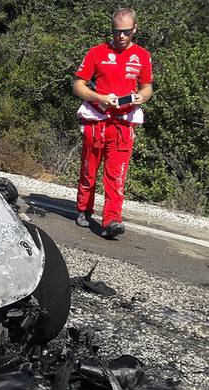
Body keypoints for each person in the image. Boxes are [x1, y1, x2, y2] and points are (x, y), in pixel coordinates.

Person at [73, 8, 153, 238]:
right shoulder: (97, 52)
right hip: (97, 120)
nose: (121, 36)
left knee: (116, 175)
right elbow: (78, 85)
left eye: (126, 32)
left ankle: (112, 220)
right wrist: (99, 98)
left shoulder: (142, 56)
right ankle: (84, 209)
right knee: (89, 170)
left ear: (135, 29)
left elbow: (147, 86)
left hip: (124, 124)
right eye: (117, 31)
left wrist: (142, 96)